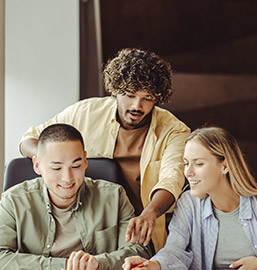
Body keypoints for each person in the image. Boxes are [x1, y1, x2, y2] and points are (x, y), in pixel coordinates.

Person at [18, 48, 190, 250]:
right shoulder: (86, 112)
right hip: (87, 226)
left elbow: (172, 179)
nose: (137, 106)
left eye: (148, 98)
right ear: (115, 89)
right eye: (129, 95)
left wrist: (150, 213)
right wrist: (48, 160)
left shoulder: (174, 130)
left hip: (138, 229)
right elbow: (29, 139)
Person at [122, 127, 257, 270]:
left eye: (198, 163)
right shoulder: (188, 204)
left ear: (225, 166)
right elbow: (175, 251)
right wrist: (152, 265)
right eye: (186, 163)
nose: (188, 172)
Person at [0, 124, 152, 269]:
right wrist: (65, 266)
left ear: (85, 160)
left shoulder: (114, 196)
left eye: (76, 166)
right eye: (57, 168)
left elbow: (139, 251)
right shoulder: (13, 201)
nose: (68, 178)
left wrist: (98, 263)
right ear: (37, 165)